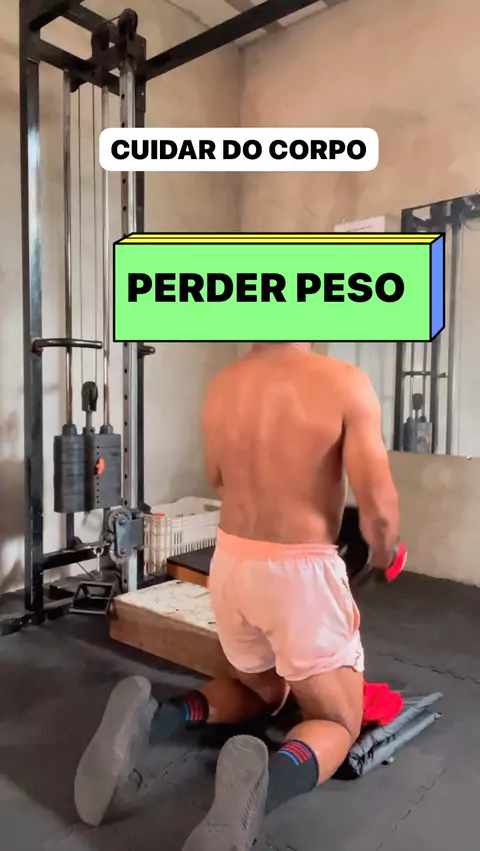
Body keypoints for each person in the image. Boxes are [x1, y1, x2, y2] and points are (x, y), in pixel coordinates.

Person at [74, 342, 400, 850]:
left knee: (266, 691)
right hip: (300, 570)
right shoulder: (344, 383)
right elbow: (378, 507)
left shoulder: (224, 385)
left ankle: (156, 719)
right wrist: (385, 550)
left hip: (232, 564)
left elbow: (218, 477)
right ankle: (260, 792)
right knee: (336, 721)